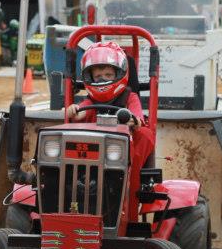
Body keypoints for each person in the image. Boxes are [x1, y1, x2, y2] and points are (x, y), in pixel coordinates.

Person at [65, 41, 155, 177]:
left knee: (145, 134)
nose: (102, 80)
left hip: (124, 152)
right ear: (90, 77)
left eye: (108, 75)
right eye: (98, 77)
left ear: (118, 74)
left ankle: (132, 183)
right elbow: (81, 112)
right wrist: (73, 111)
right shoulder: (90, 101)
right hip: (93, 153)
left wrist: (134, 121)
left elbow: (138, 119)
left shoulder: (130, 97)